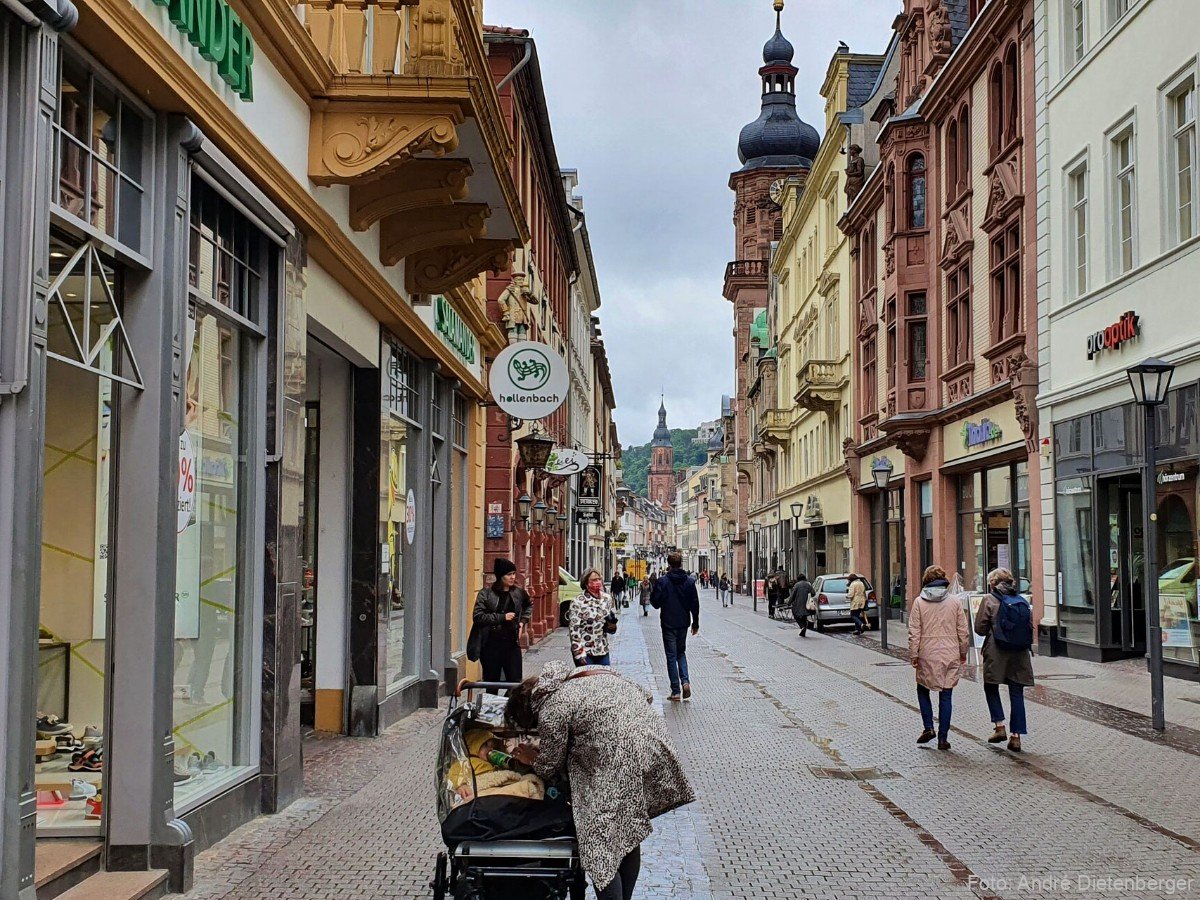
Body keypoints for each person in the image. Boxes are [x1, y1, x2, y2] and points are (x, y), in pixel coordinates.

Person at [505, 662, 695, 900]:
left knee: (598, 845)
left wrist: (531, 758)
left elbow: (549, 765)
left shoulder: (551, 708)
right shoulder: (575, 675)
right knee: (627, 827)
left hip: (617, 757)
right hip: (650, 743)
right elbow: (643, 694)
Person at [907, 566, 970, 750]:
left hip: (927, 652)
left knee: (922, 688)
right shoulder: (955, 602)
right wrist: (963, 652)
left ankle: (928, 727)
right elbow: (963, 631)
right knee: (946, 693)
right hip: (951, 652)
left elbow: (914, 631)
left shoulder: (919, 602)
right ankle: (943, 738)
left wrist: (914, 654)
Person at [975, 567, 1035, 752]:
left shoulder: (989, 599)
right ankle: (1016, 737)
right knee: (1016, 692)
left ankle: (999, 726)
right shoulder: (1021, 600)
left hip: (997, 650)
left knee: (991, 686)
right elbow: (1029, 626)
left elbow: (980, 628)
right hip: (1020, 652)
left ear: (993, 583)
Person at [472, 559, 532, 686]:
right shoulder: (486, 594)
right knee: (491, 683)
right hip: (490, 644)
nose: (512, 577)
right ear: (500, 576)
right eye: (508, 574)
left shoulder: (518, 592)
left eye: (514, 574)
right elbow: (478, 616)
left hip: (512, 643)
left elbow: (528, 605)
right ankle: (492, 705)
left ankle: (507, 705)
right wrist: (502, 617)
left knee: (515, 682)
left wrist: (522, 622)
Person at [650, 552, 700, 702]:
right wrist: (695, 623)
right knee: (681, 653)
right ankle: (685, 681)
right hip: (683, 622)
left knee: (671, 656)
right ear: (681, 564)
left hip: (668, 623)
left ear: (669, 564)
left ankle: (676, 691)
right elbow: (695, 605)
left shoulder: (663, 581)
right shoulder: (690, 582)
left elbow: (655, 603)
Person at [570, 569, 617, 667]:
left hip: (602, 649)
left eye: (599, 579)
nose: (598, 582)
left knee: (605, 679)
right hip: (585, 651)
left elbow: (608, 621)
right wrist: (578, 653)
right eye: (594, 580)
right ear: (586, 583)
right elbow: (574, 630)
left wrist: (612, 626)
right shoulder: (578, 602)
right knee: (587, 680)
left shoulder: (606, 599)